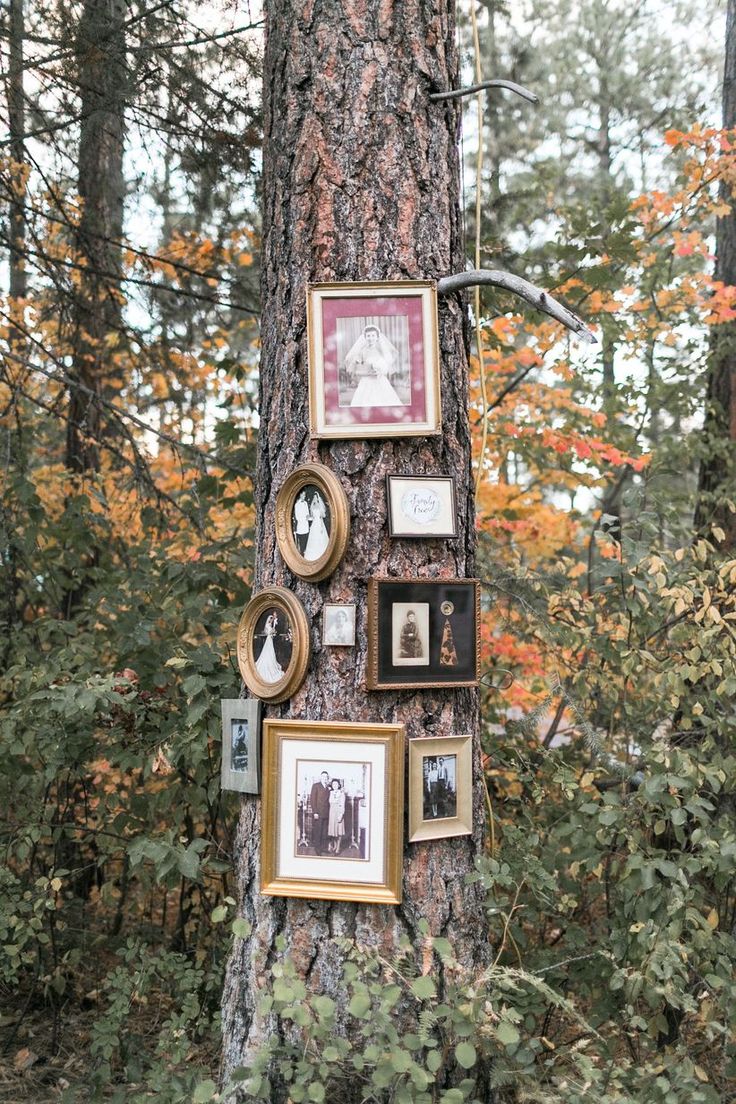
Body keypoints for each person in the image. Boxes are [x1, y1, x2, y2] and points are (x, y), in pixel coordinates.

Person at [344, 324, 404, 408]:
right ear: (365, 337)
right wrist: (367, 373)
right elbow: (357, 370)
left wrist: (380, 371)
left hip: (381, 381)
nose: (371, 338)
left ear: (377, 337)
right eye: (368, 336)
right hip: (366, 382)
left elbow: (387, 367)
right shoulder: (362, 352)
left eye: (373, 335)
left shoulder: (382, 351)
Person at [254, 612, 285, 683]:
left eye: (272, 619)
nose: (271, 620)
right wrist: (273, 631)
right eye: (271, 619)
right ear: (269, 620)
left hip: (270, 640)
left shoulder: (270, 625)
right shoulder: (268, 625)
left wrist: (273, 630)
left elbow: (272, 632)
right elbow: (269, 632)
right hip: (269, 640)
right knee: (268, 652)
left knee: (270, 652)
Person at [309, 770, 331, 855]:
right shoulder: (316, 786)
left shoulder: (328, 787)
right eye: (323, 776)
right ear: (321, 777)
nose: (325, 778)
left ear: (327, 778)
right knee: (318, 831)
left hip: (326, 813)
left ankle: (323, 848)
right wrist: (315, 812)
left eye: (326, 777)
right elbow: (312, 799)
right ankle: (317, 849)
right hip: (318, 813)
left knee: (324, 832)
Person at [304, 491, 329, 560]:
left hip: (319, 523)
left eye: (316, 498)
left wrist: (321, 526)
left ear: (318, 498)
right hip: (314, 523)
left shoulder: (320, 506)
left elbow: (322, 516)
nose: (315, 499)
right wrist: (308, 518)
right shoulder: (312, 506)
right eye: (314, 498)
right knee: (313, 537)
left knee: (320, 537)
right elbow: (312, 517)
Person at [327, 778, 346, 854]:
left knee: (339, 831)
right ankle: (333, 845)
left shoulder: (341, 793)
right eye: (333, 784)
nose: (335, 785)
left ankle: (338, 847)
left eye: (336, 784)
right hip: (331, 813)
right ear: (332, 785)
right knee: (333, 831)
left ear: (339, 785)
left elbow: (342, 805)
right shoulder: (330, 793)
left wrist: (341, 815)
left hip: (339, 813)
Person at [293, 490, 311, 555]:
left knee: (306, 540)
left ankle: (304, 552)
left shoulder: (305, 503)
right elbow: (297, 517)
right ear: (300, 495)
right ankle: (301, 554)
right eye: (303, 495)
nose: (304, 496)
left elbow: (307, 513)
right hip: (300, 526)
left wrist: (308, 517)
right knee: (301, 542)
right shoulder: (297, 504)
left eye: (305, 495)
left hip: (306, 526)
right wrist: (304, 518)